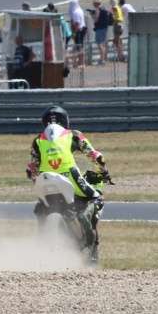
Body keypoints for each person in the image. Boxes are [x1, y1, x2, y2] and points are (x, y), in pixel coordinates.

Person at [24, 105, 110, 257]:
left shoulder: (37, 141)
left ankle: (41, 238)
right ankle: (84, 217)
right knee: (97, 198)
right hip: (70, 177)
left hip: (45, 180)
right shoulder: (73, 135)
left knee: (41, 207)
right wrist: (103, 171)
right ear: (65, 120)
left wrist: (36, 182)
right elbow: (95, 156)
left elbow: (32, 169)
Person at [91, 0, 112, 65]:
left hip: (99, 28)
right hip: (105, 28)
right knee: (104, 43)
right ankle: (105, 58)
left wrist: (92, 15)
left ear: (96, 3)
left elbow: (96, 19)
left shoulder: (98, 9)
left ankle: (102, 60)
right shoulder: (104, 8)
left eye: (94, 3)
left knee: (100, 44)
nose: (93, 4)